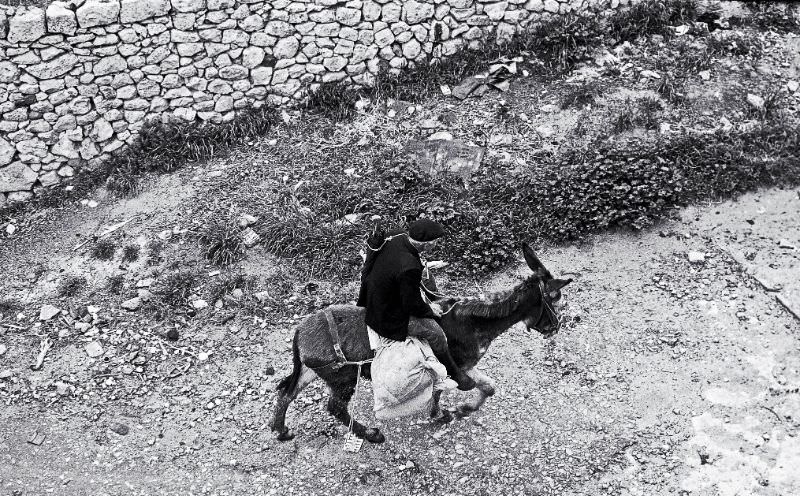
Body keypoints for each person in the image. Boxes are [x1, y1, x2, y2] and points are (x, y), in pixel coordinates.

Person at [357, 219, 477, 391]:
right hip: (386, 313)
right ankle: (454, 373)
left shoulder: (396, 235)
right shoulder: (410, 267)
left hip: (373, 292)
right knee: (437, 335)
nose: (436, 245)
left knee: (429, 287)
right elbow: (411, 305)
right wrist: (430, 310)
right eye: (435, 242)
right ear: (427, 244)